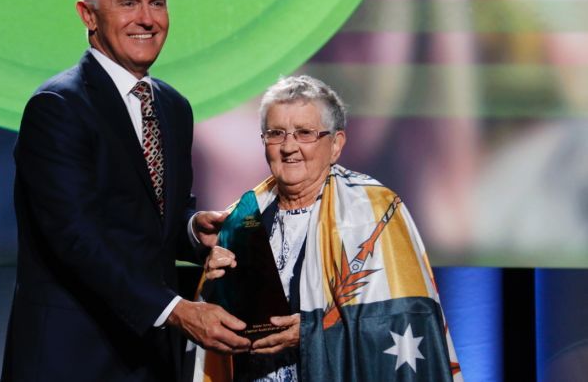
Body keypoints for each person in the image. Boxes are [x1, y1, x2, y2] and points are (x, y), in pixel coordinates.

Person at [1, 0, 250, 382]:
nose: (147, 19)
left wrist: (193, 231)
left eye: (157, 3)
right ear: (88, 14)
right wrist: (176, 311)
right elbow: (77, 239)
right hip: (72, 361)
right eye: (128, 3)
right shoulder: (58, 106)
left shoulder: (173, 107)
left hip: (150, 360)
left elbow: (146, 225)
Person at [192, 75, 463, 381]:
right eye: (276, 133)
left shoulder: (375, 211)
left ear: (336, 145)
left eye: (305, 133)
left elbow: (405, 322)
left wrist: (311, 333)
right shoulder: (242, 216)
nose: (289, 147)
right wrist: (215, 287)